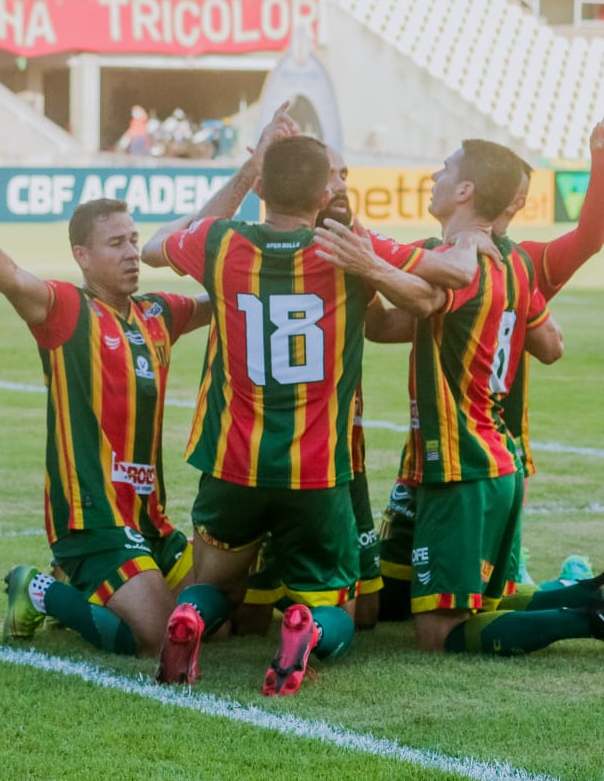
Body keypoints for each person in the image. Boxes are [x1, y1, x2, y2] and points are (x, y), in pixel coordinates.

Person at [142, 131, 462, 695]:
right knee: (338, 606)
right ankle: (306, 629)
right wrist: (377, 265)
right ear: (325, 194)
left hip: (231, 463)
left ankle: (189, 617)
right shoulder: (345, 248)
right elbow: (446, 281)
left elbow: (155, 246)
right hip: (316, 472)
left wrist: (242, 175)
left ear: (261, 187)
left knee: (211, 583)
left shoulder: (219, 241)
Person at [320, 137, 604, 664]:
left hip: (461, 463)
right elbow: (546, 344)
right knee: (402, 599)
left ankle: (591, 616)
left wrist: (365, 258)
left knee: (438, 633)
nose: (434, 173)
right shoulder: (518, 266)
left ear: (467, 189)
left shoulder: (462, 261)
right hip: (483, 456)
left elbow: (432, 290)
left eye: (445, 167)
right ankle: (598, 590)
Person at [0, 182, 211, 660]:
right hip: (92, 517)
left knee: (213, 619)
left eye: (134, 240)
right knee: (155, 636)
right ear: (82, 256)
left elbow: (230, 283)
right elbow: (10, 278)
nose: (132, 253)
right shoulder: (68, 310)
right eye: (116, 244)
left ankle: (90, 583)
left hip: (149, 519)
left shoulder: (157, 313)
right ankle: (38, 589)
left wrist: (253, 173)